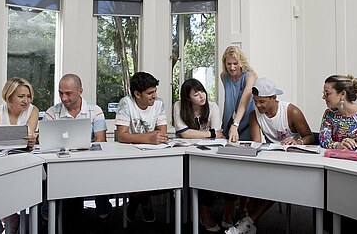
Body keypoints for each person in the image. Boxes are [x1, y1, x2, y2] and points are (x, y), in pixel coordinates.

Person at [227, 77, 314, 234]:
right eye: (255, 101)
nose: (258, 105)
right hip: (274, 158)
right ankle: (249, 223)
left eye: (262, 101)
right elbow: (256, 142)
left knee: (275, 184)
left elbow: (309, 136)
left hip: (294, 160)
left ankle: (247, 222)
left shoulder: (291, 111)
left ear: (273, 98)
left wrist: (298, 142)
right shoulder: (255, 115)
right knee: (255, 177)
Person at [44, 73, 111, 232]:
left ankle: (103, 215)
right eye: (61, 93)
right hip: (61, 163)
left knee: (103, 173)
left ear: (80, 91)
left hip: (89, 162)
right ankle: (46, 217)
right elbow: (46, 143)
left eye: (68, 93)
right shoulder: (52, 112)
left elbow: (101, 140)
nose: (64, 98)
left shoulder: (95, 111)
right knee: (47, 176)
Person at [0, 77, 39, 234]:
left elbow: (28, 138)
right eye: (21, 96)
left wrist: (30, 140)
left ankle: (11, 216)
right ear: (9, 96)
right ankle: (5, 217)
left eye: (28, 96)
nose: (26, 101)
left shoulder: (33, 110)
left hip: (22, 160)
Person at [115, 71, 168, 223]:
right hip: (130, 154)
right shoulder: (126, 103)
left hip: (152, 153)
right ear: (137, 94)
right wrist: (149, 138)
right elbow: (122, 136)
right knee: (136, 176)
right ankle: (145, 201)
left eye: (155, 91)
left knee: (159, 175)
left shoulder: (159, 103)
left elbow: (162, 134)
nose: (155, 95)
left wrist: (146, 138)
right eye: (150, 93)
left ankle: (136, 200)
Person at [173, 78, 225, 231]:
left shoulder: (213, 106)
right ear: (188, 98)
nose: (202, 96)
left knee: (206, 173)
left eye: (202, 91)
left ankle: (206, 213)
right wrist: (210, 133)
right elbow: (183, 133)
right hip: (183, 152)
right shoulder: (178, 106)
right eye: (196, 94)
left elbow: (218, 135)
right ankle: (200, 213)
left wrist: (207, 134)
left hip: (208, 152)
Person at [221, 46, 257, 142]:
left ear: (241, 62)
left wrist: (235, 124)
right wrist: (224, 123)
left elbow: (244, 102)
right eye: (229, 64)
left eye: (235, 63)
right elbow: (228, 100)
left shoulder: (250, 76)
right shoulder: (224, 76)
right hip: (230, 121)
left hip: (247, 120)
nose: (232, 67)